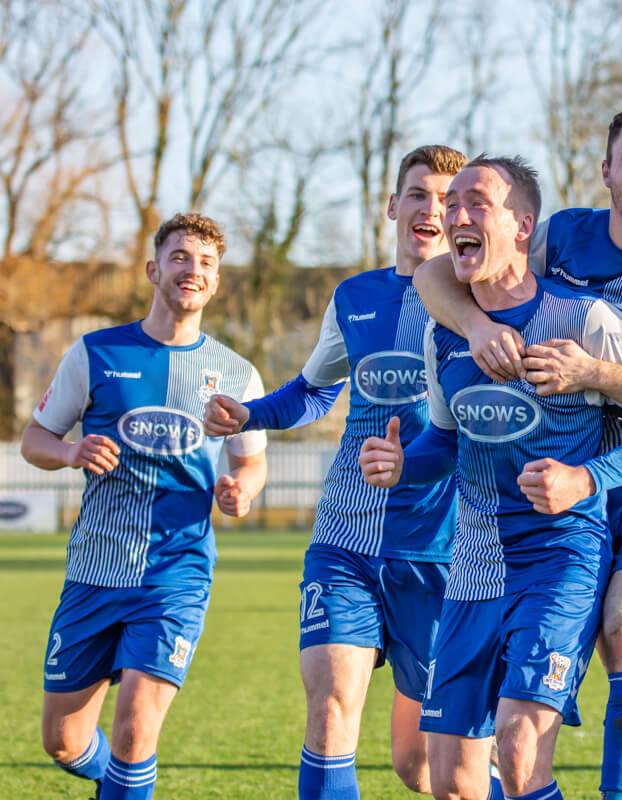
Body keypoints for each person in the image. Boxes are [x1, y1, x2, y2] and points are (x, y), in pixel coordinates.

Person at [413, 99, 622, 800]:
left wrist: (592, 373)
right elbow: (438, 275)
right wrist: (473, 326)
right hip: (584, 452)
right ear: (607, 169)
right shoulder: (563, 236)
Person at [361, 155, 622, 800]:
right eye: (450, 203)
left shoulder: (584, 321)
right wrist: (404, 465)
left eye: (475, 202)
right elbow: (447, 440)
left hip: (560, 556)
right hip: (472, 566)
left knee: (517, 749)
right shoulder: (444, 335)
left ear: (522, 225)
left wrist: (586, 479)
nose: (453, 214)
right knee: (451, 780)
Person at [202, 145, 471, 799]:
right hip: (344, 545)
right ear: (392, 206)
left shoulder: (479, 303)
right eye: (416, 193)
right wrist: (248, 413)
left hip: (439, 553)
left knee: (430, 771)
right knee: (329, 711)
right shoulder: (355, 298)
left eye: (445, 198)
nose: (429, 209)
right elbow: (312, 391)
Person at [22, 213, 268, 800]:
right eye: (181, 257)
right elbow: (35, 441)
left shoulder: (236, 374)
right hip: (93, 571)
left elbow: (251, 461)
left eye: (207, 262)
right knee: (62, 740)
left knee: (135, 730)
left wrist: (242, 490)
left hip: (175, 573)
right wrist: (70, 449)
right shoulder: (94, 353)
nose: (194, 269)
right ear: (155, 269)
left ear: (216, 283)